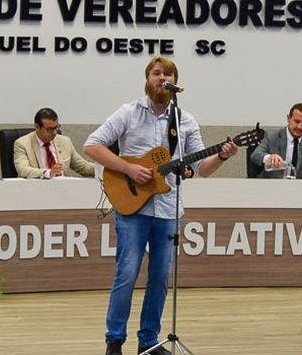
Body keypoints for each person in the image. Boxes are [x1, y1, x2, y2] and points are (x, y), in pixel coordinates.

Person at [83, 57, 238, 355]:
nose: (161, 78)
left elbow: (203, 168)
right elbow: (92, 145)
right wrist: (128, 169)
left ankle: (149, 340)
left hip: (168, 209)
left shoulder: (184, 120)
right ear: (147, 79)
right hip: (133, 208)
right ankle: (114, 340)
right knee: (127, 273)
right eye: (156, 73)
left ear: (175, 82)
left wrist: (222, 155)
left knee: (160, 277)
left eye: (167, 74)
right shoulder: (129, 112)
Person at [13, 107, 95, 179]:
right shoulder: (22, 144)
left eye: (56, 128)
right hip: (36, 188)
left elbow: (83, 167)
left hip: (62, 188)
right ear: (37, 127)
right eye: (49, 129)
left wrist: (101, 168)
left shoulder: (65, 141)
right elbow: (23, 170)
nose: (55, 133)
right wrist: (48, 173)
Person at [249, 102, 302, 179]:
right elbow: (255, 155)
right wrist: (269, 158)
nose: (299, 127)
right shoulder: (271, 136)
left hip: (300, 185)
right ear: (288, 118)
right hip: (272, 184)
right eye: (297, 121)